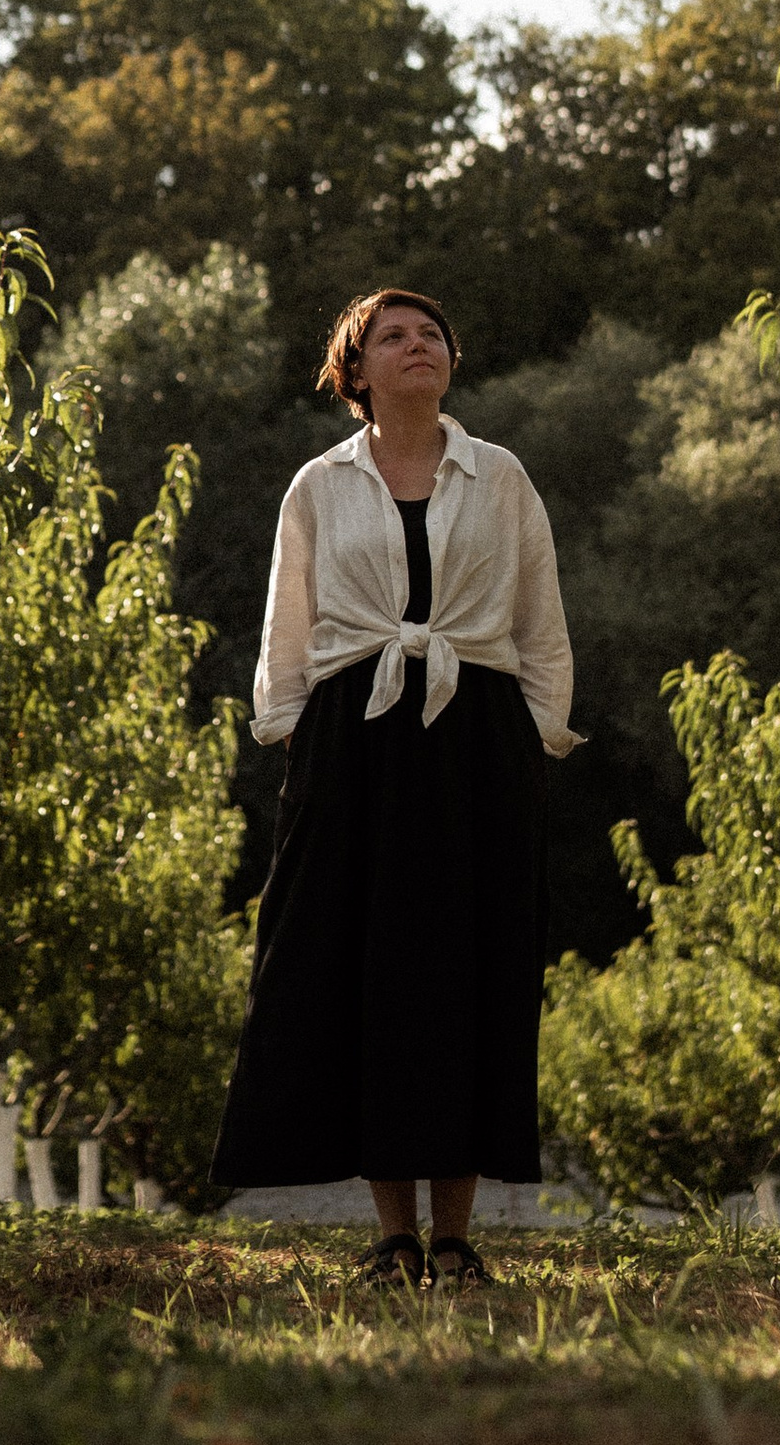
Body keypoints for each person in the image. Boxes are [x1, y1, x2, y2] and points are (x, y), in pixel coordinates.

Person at [209, 284, 580, 1289]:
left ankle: (454, 1237)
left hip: (477, 737)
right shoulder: (318, 486)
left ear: (450, 361)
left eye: (432, 334)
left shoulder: (500, 476)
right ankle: (392, 1235)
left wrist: (537, 736)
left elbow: (539, 619)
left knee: (467, 971)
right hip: (352, 741)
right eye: (393, 336)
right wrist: (294, 735)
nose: (419, 345)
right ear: (355, 370)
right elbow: (288, 623)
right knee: (363, 973)